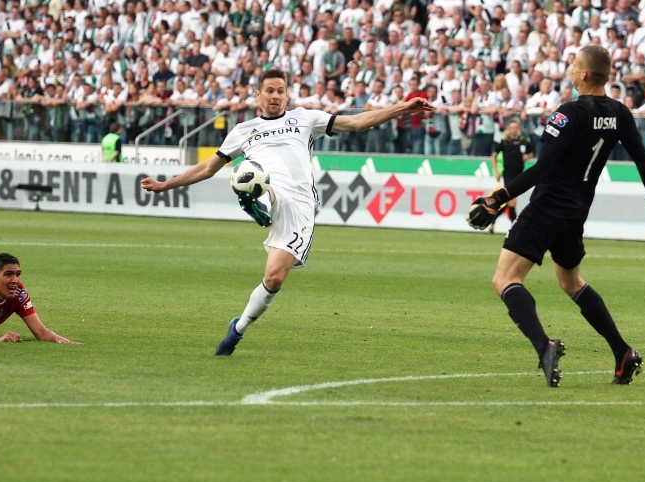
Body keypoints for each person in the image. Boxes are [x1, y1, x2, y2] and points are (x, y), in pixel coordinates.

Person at [140, 68, 432, 355]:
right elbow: (207, 168)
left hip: (300, 205)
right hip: (270, 189)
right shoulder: (243, 131)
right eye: (269, 91)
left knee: (275, 279)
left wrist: (404, 108)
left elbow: (357, 122)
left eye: (280, 91)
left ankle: (238, 328)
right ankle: (258, 203)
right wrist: (166, 185)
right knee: (251, 175)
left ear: (287, 94)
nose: (276, 96)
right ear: (258, 95)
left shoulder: (304, 118)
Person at [466, 47, 645, 387]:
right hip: (576, 212)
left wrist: (499, 198)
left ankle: (544, 346)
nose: (569, 69)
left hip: (547, 207)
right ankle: (622, 352)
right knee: (571, 282)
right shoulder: (620, 114)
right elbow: (643, 165)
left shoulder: (569, 113)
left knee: (504, 280)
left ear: (583, 75)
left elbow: (543, 167)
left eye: (573, 65)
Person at [490, 118, 533, 227]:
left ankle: (493, 219)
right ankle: (515, 227)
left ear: (519, 129)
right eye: (512, 128)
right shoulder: (504, 142)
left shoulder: (523, 142)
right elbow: (493, 156)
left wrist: (528, 156)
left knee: (509, 202)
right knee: (512, 202)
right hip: (508, 174)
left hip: (519, 175)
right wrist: (496, 171)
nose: (514, 130)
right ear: (508, 129)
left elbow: (531, 153)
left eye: (516, 128)